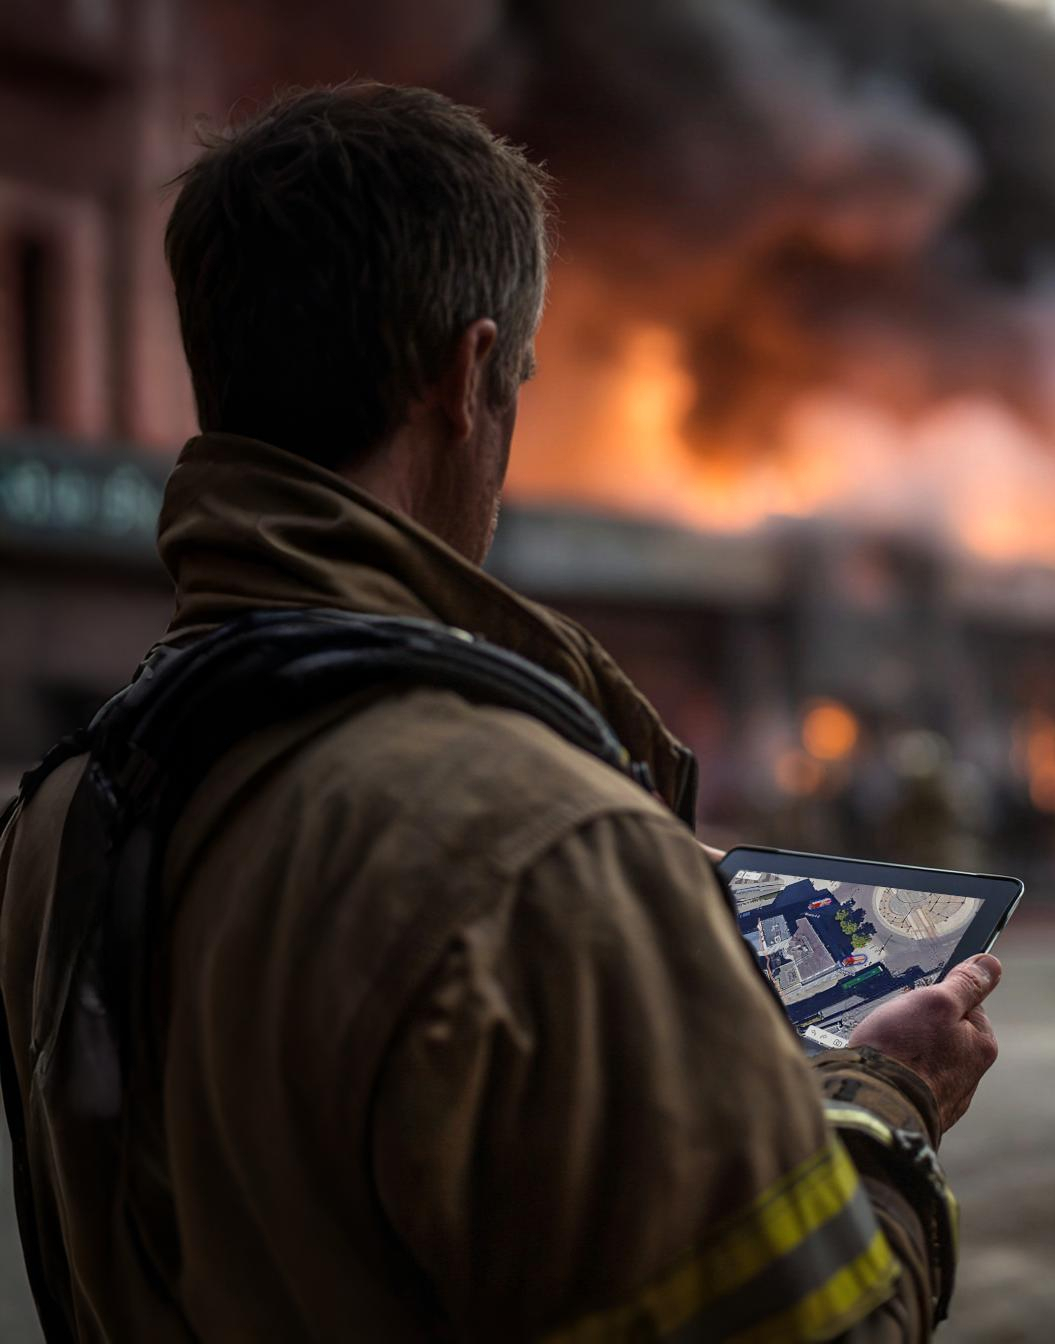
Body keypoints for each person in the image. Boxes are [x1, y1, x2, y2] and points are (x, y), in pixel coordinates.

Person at [0, 85, 1001, 1342]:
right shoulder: (539, 848)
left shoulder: (58, 817)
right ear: (467, 374)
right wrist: (887, 1097)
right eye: (522, 376)